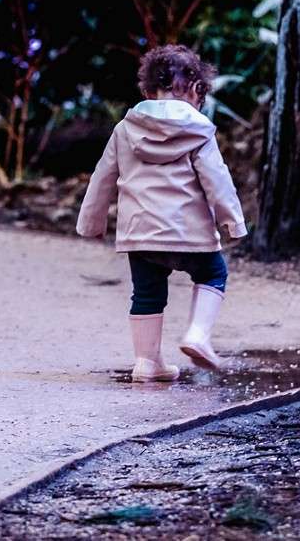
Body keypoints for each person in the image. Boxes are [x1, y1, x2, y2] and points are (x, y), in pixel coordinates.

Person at [76, 44, 248, 382]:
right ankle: (198, 335)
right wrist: (234, 221)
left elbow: (103, 178)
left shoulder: (125, 129)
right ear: (198, 90)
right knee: (213, 274)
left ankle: (146, 362)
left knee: (147, 293)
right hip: (190, 234)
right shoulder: (199, 130)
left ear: (147, 89)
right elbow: (217, 180)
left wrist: (91, 222)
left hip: (140, 234)